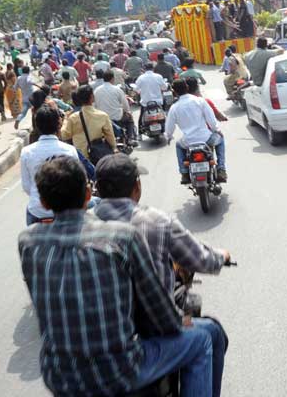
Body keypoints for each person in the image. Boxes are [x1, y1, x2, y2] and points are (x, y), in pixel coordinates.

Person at [18, 156, 217, 397]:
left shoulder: (28, 241)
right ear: (88, 193)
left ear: (44, 201)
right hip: (119, 371)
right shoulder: (123, 236)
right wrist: (181, 322)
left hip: (58, 376)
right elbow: (159, 313)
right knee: (203, 339)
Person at [92, 154, 229, 396]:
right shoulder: (154, 221)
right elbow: (201, 259)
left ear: (97, 189)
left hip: (93, 348)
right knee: (210, 334)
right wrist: (221, 256)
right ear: (137, 186)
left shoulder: (82, 225)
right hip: (137, 345)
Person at [21, 106, 95, 225]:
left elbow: (27, 186)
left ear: (37, 125)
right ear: (59, 124)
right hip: (68, 209)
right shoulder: (69, 150)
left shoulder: (26, 151)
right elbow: (79, 182)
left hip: (38, 210)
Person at [166, 79, 227, 184]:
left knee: (178, 145)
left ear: (174, 92)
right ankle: (221, 169)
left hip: (188, 142)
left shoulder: (174, 108)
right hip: (206, 139)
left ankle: (184, 173)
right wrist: (217, 130)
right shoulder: (200, 101)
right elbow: (211, 119)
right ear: (187, 88)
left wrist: (169, 137)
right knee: (220, 140)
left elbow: (169, 128)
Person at [61, 84, 117, 157]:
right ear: (91, 97)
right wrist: (114, 148)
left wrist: (65, 119)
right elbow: (110, 136)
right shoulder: (102, 116)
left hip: (81, 156)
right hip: (98, 154)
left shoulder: (73, 117)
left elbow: (64, 136)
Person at [95, 70, 137, 145]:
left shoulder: (96, 91)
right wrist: (128, 112)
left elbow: (94, 106)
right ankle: (130, 138)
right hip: (117, 117)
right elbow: (125, 104)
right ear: (112, 79)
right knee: (130, 119)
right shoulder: (117, 89)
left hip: (102, 119)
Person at [135, 62, 169, 126]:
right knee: (164, 109)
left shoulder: (140, 78)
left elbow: (136, 89)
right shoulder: (158, 76)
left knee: (141, 116)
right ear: (153, 68)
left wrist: (139, 91)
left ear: (144, 69)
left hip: (145, 103)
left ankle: (140, 131)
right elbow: (164, 88)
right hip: (158, 102)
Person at [13, 66, 38, 130]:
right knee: (35, 111)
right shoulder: (29, 77)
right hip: (32, 98)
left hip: (24, 98)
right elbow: (29, 81)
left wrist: (15, 93)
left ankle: (18, 119)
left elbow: (15, 88)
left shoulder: (19, 78)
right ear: (28, 71)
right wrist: (37, 85)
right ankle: (35, 125)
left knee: (23, 113)